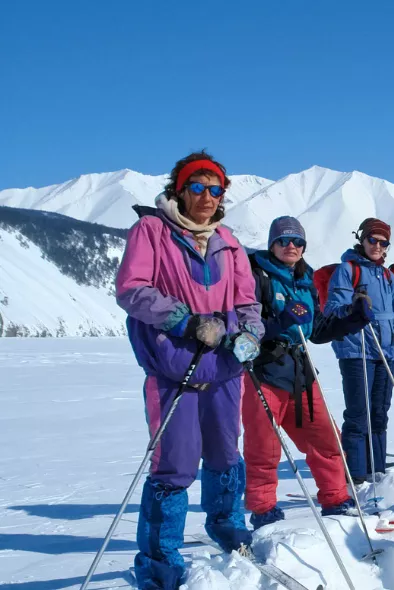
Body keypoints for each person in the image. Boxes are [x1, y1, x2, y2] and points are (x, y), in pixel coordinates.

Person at [115, 151, 263, 588]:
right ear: (178, 190)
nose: (205, 197)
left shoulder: (228, 240)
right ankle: (160, 563)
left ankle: (227, 527)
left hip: (224, 368)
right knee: (174, 466)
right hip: (173, 369)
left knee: (224, 454)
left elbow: (247, 300)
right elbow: (131, 289)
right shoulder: (152, 230)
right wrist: (185, 320)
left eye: (214, 189)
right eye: (196, 187)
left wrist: (250, 333)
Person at [242, 216, 373, 529]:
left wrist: (354, 319)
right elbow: (244, 326)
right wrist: (279, 322)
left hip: (300, 372)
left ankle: (336, 499)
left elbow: (316, 330)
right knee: (264, 447)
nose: (291, 246)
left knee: (327, 439)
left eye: (297, 241)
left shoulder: (306, 279)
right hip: (263, 371)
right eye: (284, 240)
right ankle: (264, 511)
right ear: (272, 243)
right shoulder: (254, 273)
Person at [325, 218, 394, 484]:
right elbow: (333, 308)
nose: (377, 245)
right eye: (372, 240)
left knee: (379, 413)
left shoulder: (387, 276)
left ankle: (378, 472)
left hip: (386, 352)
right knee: (358, 414)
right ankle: (357, 475)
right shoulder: (347, 270)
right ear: (362, 240)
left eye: (383, 242)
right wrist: (354, 306)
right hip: (357, 350)